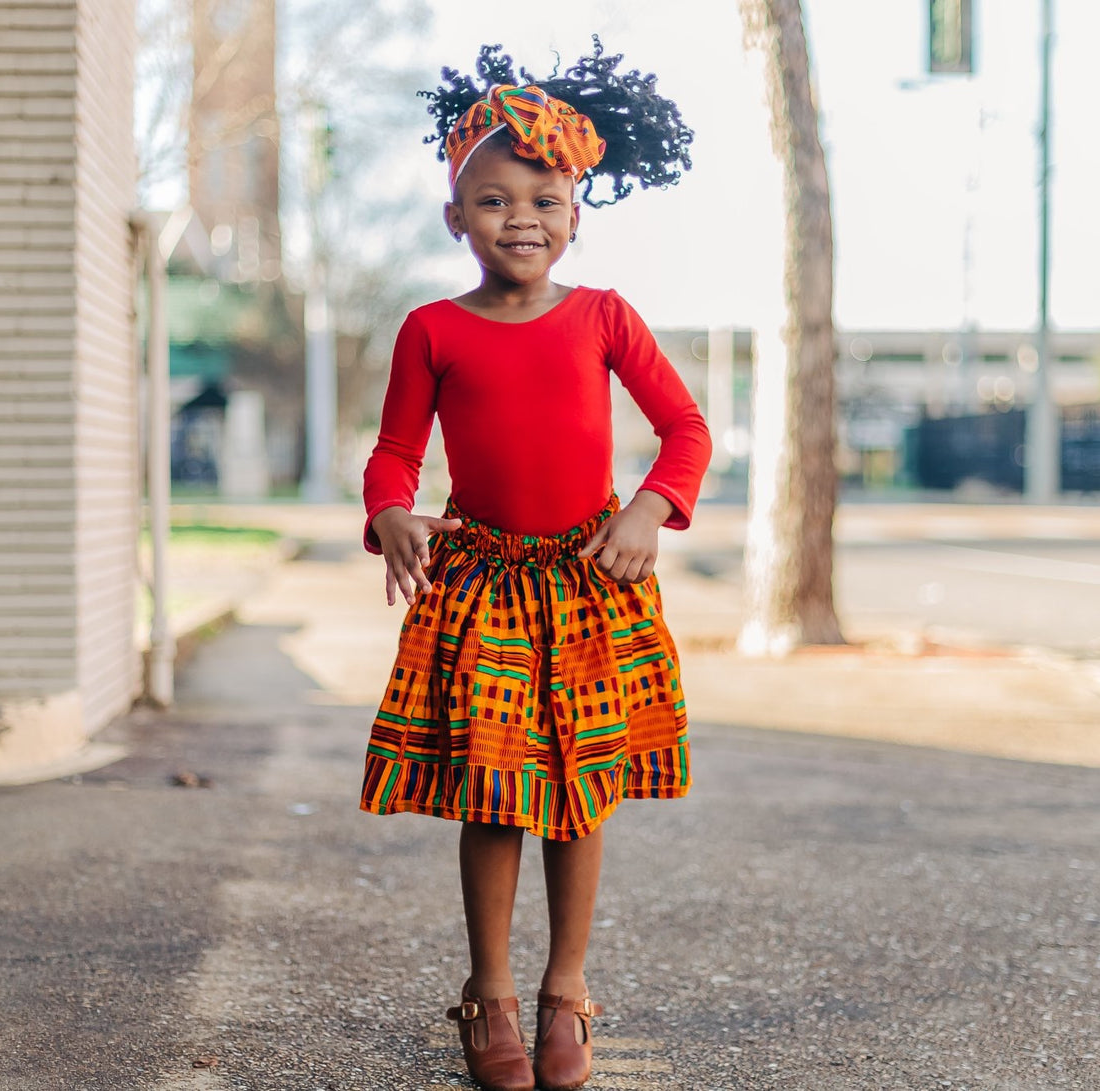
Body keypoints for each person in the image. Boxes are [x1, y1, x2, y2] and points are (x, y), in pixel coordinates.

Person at [359, 42, 712, 1091]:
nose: (520, 216)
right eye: (492, 197)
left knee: (580, 790)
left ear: (573, 214)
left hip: (588, 583)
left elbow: (684, 428)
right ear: (453, 217)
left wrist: (652, 506)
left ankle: (567, 989)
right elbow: (393, 452)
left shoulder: (603, 316)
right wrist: (387, 510)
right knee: (495, 794)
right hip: (483, 586)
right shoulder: (430, 330)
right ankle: (490, 994)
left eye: (543, 198)